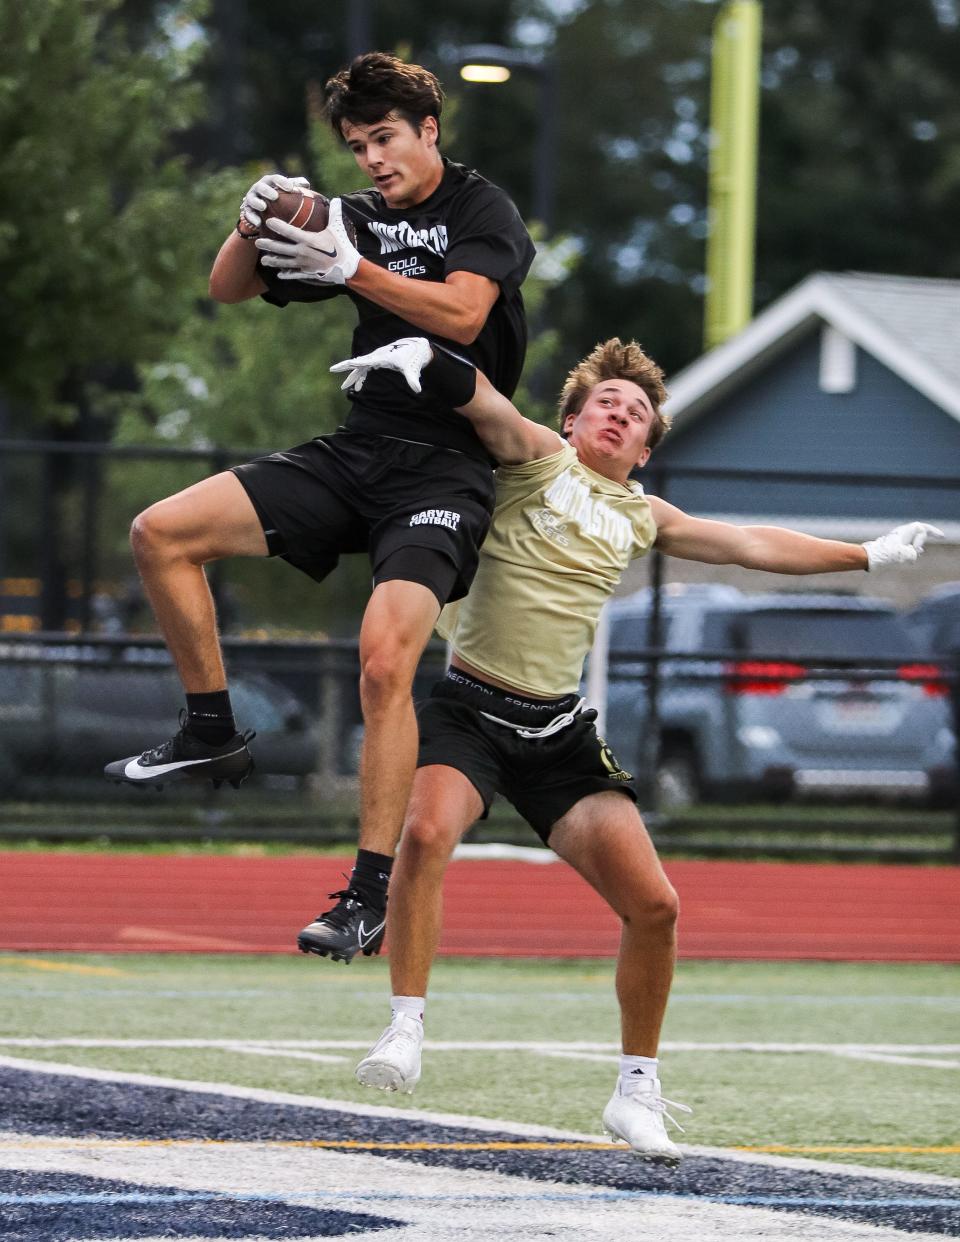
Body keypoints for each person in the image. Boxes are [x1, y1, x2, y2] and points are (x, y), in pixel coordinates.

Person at [332, 334, 942, 1162]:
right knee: (428, 834)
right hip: (469, 707)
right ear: (575, 420)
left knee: (655, 907)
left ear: (647, 447)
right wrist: (428, 359)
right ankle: (405, 1026)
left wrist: (866, 555)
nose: (620, 415)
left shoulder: (642, 515)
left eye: (637, 413)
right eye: (606, 405)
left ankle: (635, 1091)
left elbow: (753, 544)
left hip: (556, 732)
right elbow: (485, 404)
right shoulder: (536, 461)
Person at [103, 53, 535, 965]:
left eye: (385, 139)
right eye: (357, 145)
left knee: (384, 664)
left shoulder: (479, 208)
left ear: (429, 130)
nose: (372, 160)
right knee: (161, 534)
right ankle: (212, 732)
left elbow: (460, 317)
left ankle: (368, 894)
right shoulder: (356, 216)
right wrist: (252, 215)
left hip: (445, 471)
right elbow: (231, 287)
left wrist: (353, 269)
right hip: (357, 450)